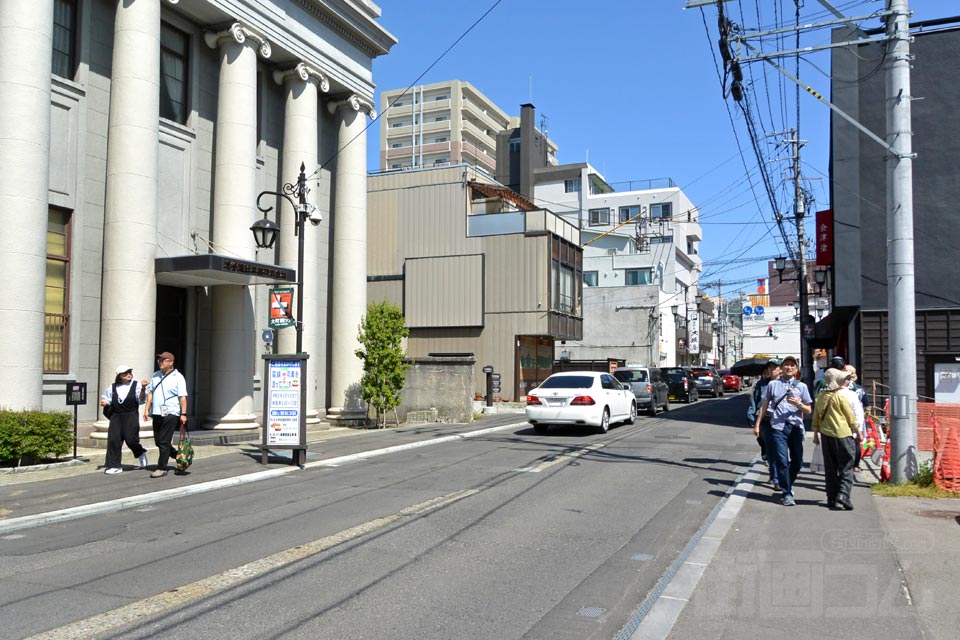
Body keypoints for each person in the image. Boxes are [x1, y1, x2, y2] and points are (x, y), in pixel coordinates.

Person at [753, 355, 812, 506]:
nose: (789, 367)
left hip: (795, 427)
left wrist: (799, 404)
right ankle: (787, 493)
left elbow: (809, 410)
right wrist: (758, 424)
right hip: (777, 426)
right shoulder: (773, 385)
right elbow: (764, 405)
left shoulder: (802, 387)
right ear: (782, 368)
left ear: (797, 369)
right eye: (786, 364)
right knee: (782, 461)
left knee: (797, 461)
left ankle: (788, 484)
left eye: (792, 365)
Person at [812, 368, 861, 510]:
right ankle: (843, 495)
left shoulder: (821, 396)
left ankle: (831, 497)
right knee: (846, 466)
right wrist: (858, 432)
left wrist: (815, 434)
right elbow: (850, 417)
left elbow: (816, 418)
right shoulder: (841, 396)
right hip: (843, 434)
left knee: (830, 467)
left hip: (826, 435)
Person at [143, 351, 189, 478]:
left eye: (163, 360)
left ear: (171, 362)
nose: (160, 363)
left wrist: (183, 414)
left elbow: (183, 397)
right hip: (157, 412)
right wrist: (147, 409)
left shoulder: (178, 377)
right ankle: (178, 456)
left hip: (171, 413)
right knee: (159, 441)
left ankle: (161, 467)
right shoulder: (156, 375)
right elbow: (150, 393)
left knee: (164, 441)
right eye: (159, 360)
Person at [99, 365, 149, 475]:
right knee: (114, 440)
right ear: (119, 376)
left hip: (130, 415)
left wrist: (144, 389)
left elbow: (140, 400)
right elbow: (107, 399)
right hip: (116, 416)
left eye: (130, 372)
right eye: (125, 373)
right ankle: (115, 465)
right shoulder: (112, 387)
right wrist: (105, 403)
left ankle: (140, 452)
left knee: (131, 439)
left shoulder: (136, 385)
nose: (129, 375)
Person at [747, 358, 781, 488]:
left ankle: (777, 475)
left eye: (774, 367)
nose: (771, 370)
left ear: (780, 369)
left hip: (780, 420)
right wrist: (751, 415)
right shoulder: (761, 384)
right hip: (764, 419)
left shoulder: (786, 384)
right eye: (770, 367)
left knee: (779, 449)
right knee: (769, 446)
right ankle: (775, 476)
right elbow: (755, 401)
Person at [842, 364, 869, 471]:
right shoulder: (859, 389)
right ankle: (855, 464)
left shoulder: (840, 387)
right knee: (857, 441)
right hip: (858, 418)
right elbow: (866, 403)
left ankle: (846, 463)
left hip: (843, 418)